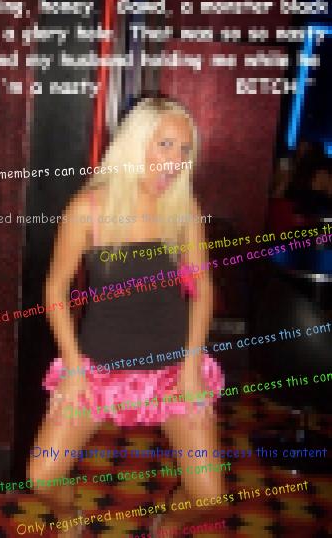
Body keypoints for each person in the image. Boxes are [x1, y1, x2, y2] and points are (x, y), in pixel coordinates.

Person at [27, 98, 225, 536]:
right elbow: (55, 289)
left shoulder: (183, 208)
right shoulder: (88, 208)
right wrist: (73, 367)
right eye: (165, 144)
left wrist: (192, 365)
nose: (175, 160)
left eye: (184, 150)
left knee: (208, 495)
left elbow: (203, 290)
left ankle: (167, 524)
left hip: (173, 366)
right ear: (135, 143)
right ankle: (69, 515)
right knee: (42, 477)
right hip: (98, 368)